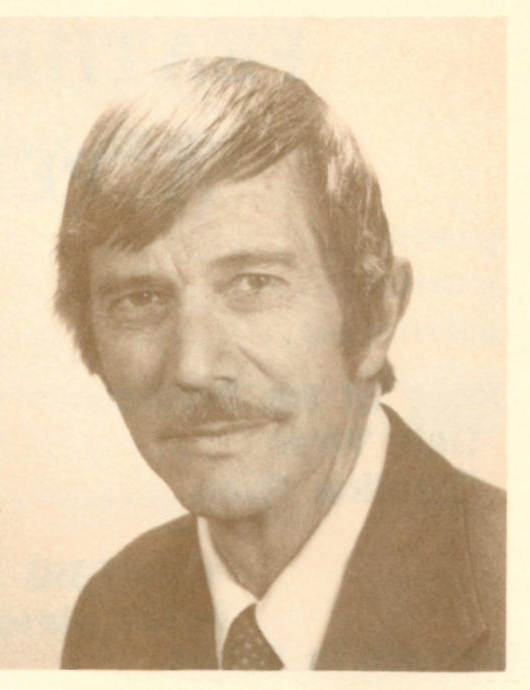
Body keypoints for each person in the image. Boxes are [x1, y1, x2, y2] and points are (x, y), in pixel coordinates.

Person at [56, 57, 505, 671]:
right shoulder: (115, 614)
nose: (194, 366)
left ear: (376, 315)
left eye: (254, 283)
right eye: (140, 299)